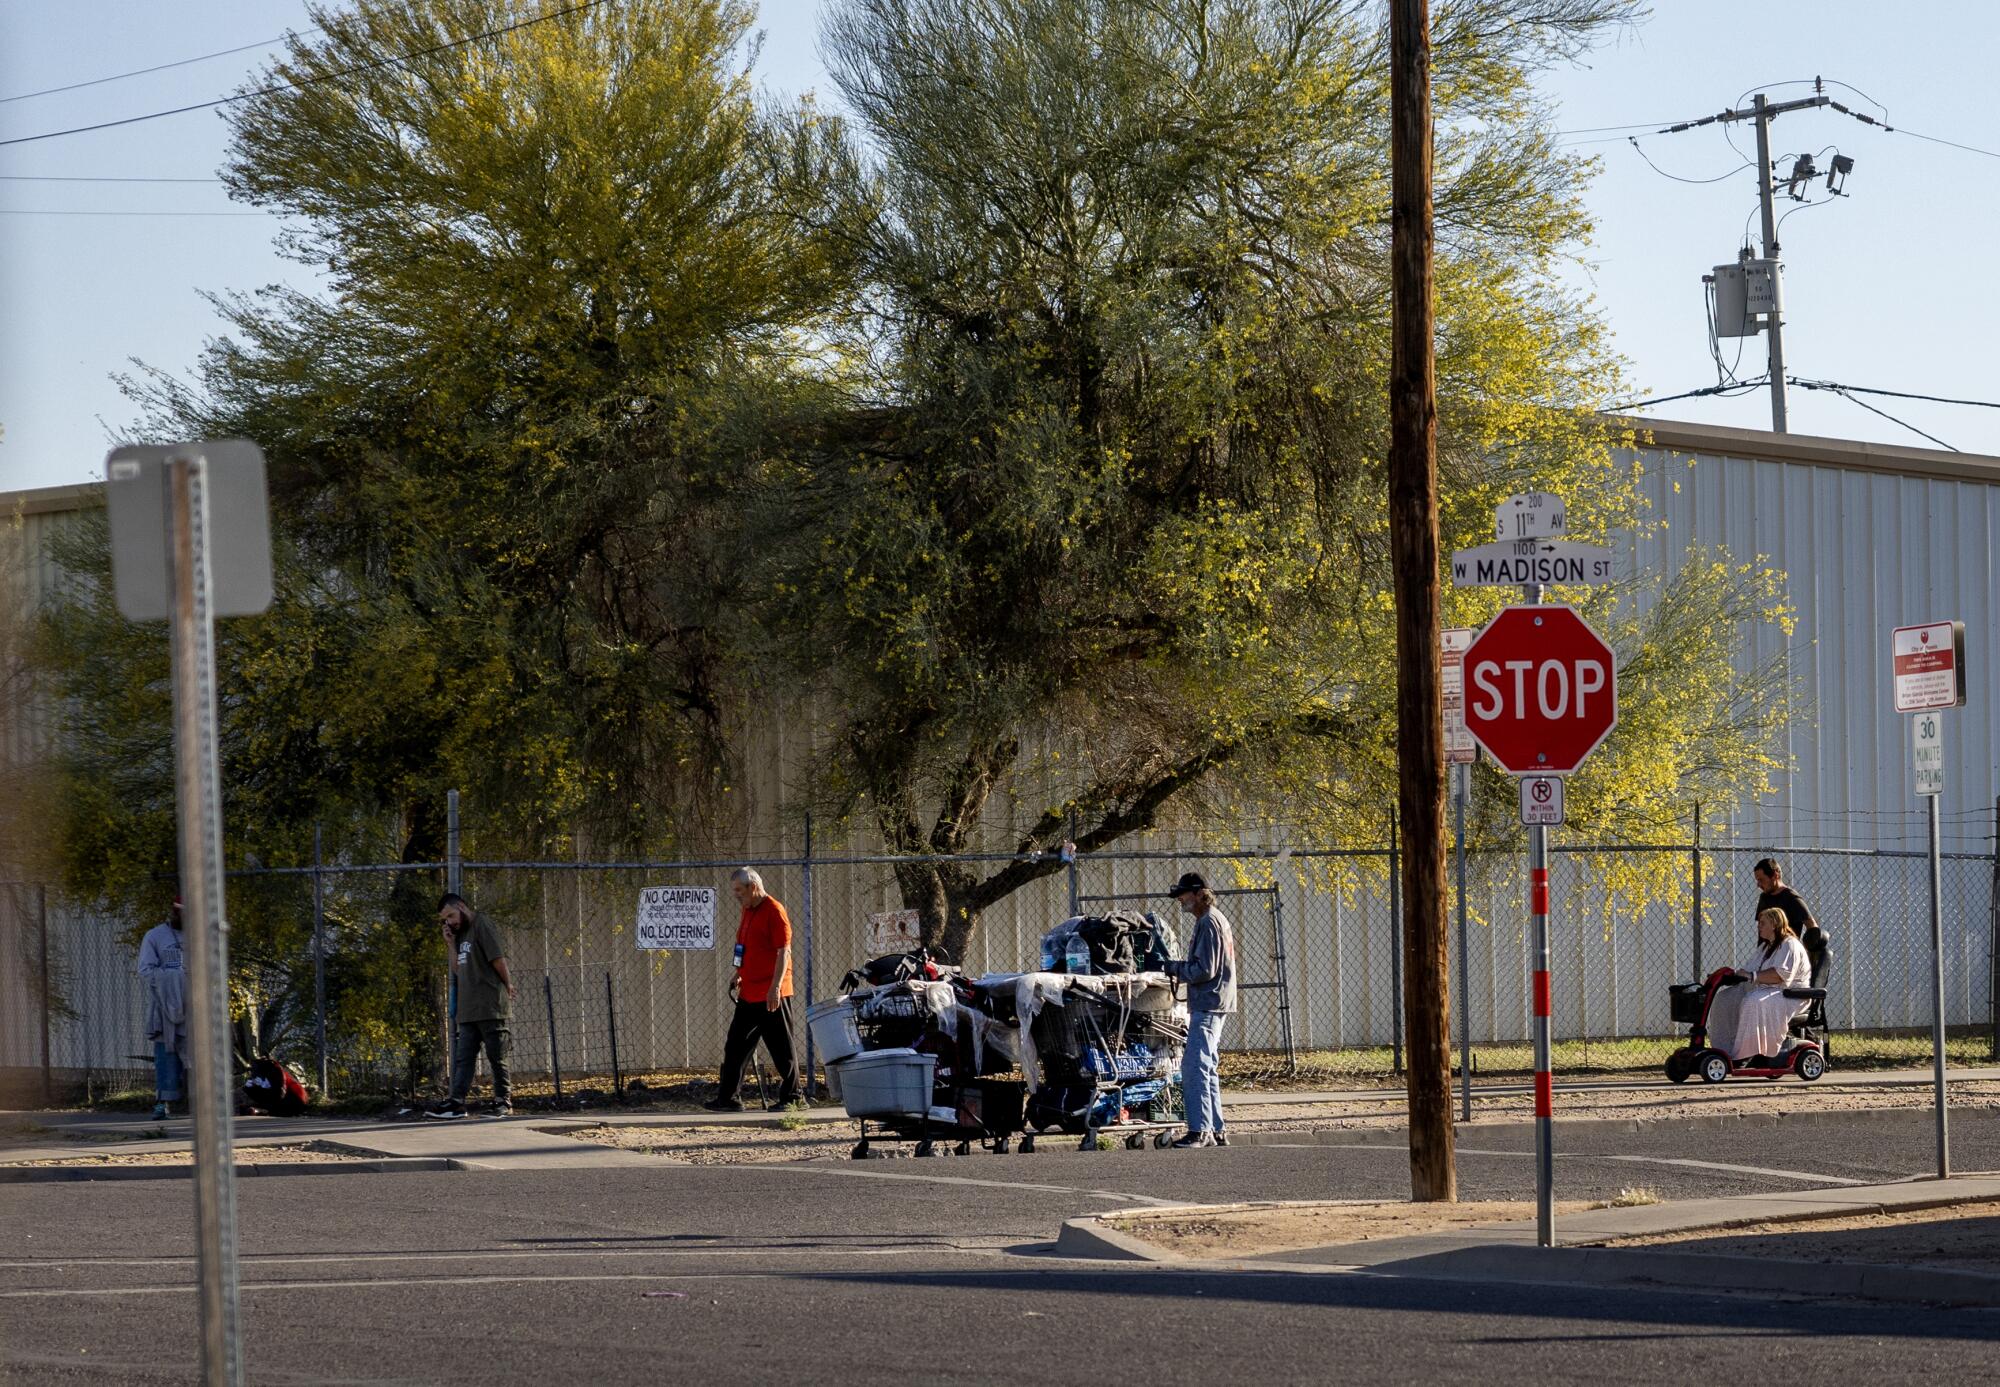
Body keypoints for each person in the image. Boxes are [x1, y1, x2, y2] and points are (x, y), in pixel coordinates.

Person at [706, 867, 801, 1112]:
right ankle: (728, 1099)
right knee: (736, 1045)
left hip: (772, 993)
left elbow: (784, 952)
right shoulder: (747, 911)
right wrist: (739, 973)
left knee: (781, 1046)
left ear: (753, 887)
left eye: (739, 890)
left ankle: (793, 1097)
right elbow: (743, 946)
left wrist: (776, 987)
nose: (736, 895)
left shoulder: (775, 911)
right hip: (749, 991)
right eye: (734, 891)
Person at [1162, 871, 1235, 1149]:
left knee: (1193, 1066)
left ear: (1198, 893)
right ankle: (1216, 1129)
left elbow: (1204, 969)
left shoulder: (1208, 922)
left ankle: (1199, 1130)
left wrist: (1173, 967)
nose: (1180, 899)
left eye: (1183, 894)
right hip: (1215, 1000)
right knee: (1207, 1066)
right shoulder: (1214, 919)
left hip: (1208, 1001)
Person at [430, 893, 515, 1119]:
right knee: (464, 1057)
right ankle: (456, 1103)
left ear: (462, 907)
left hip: (489, 1003)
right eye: (444, 919)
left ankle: (503, 1101)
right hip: (468, 1008)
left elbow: (497, 958)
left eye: (450, 915)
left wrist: (508, 984)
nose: (449, 922)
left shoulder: (481, 924)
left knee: (497, 1055)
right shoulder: (459, 935)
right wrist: (450, 944)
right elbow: (458, 968)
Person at [1708, 907, 1812, 1064]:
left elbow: (1780, 976)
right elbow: (1749, 970)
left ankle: (1746, 1054)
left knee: (1753, 1001)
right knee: (1724, 999)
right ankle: (1724, 1050)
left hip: (1791, 995)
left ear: (1775, 924)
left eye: (1763, 923)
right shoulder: (1765, 947)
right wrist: (1731, 976)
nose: (1759, 926)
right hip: (1767, 990)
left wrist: (1752, 976)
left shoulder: (1789, 945)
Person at [137, 899, 189, 1121]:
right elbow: (145, 970)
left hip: (195, 1006)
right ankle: (162, 1104)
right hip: (165, 1007)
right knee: (165, 1054)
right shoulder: (155, 936)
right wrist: (173, 979)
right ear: (174, 912)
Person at [1753, 857, 1828, 964]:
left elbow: (1812, 927)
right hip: (1764, 958)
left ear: (1775, 875)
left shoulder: (1792, 898)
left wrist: (1811, 955)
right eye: (1757, 880)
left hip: (1784, 959)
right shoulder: (1764, 898)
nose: (1758, 885)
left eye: (1761, 880)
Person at [242, 1056, 310, 1117]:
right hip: (288, 1099)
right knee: (249, 1088)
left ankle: (263, 1111)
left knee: (256, 1091)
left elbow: (280, 1093)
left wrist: (269, 1106)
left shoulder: (275, 1070)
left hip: (296, 1101)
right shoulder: (264, 1073)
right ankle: (262, 1111)